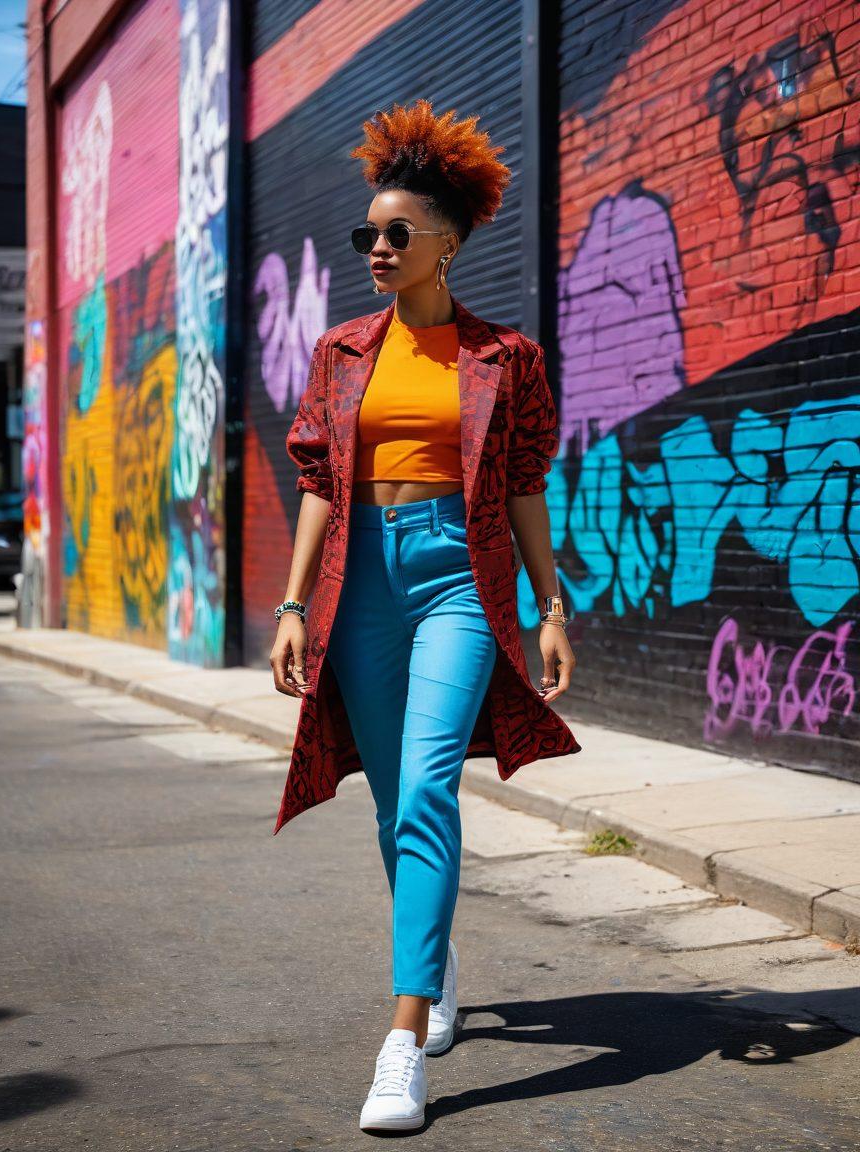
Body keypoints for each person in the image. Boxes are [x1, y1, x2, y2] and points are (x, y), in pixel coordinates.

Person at [269, 98, 580, 1133]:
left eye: (397, 234)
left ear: (446, 243)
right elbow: (317, 479)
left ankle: (402, 1037)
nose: (376, 248)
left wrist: (547, 604)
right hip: (360, 585)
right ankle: (434, 963)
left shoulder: (507, 357)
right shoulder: (340, 352)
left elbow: (526, 482)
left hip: (455, 574)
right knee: (390, 795)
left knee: (428, 789)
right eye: (366, 234)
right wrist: (290, 603)